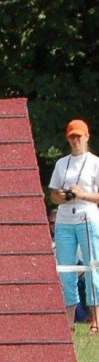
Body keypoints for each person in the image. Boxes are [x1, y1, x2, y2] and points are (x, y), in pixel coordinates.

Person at [49, 119, 99, 333]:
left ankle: (95, 319)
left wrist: (82, 194)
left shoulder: (95, 163)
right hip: (64, 220)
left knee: (92, 268)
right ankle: (68, 320)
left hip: (87, 218)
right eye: (72, 136)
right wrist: (61, 197)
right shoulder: (61, 163)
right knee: (65, 270)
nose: (75, 139)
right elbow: (53, 196)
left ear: (87, 137)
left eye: (79, 136)